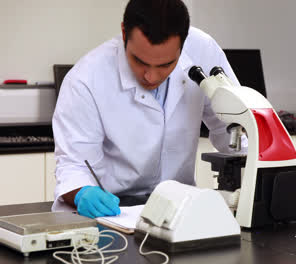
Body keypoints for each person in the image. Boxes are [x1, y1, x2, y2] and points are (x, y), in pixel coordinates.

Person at [52, 0, 240, 218]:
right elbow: (74, 167)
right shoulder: (85, 80)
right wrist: (82, 192)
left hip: (180, 210)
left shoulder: (203, 50)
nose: (151, 77)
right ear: (124, 32)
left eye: (165, 65)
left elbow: (232, 126)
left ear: (184, 42)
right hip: (114, 211)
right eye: (139, 61)